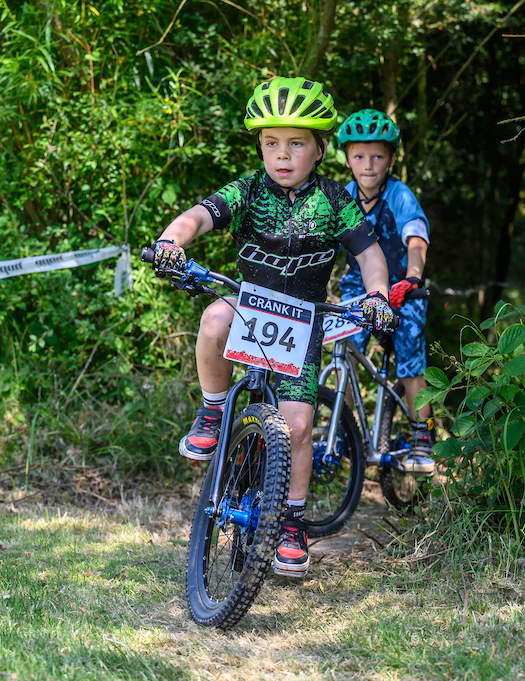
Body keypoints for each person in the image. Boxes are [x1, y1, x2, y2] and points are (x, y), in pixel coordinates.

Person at [148, 77, 394, 579]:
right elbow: (199, 215)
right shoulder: (249, 190)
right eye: (271, 144)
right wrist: (172, 241)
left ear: (321, 149)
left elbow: (369, 254)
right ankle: (215, 412)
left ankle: (292, 523)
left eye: (296, 143)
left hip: (302, 323)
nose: (282, 155)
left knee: (299, 426)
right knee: (215, 314)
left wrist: (376, 296)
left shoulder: (335, 201)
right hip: (249, 307)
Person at [335, 108, 436, 475]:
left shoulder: (399, 193)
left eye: (378, 156)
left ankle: (422, 434)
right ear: (347, 158)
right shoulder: (341, 195)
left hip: (401, 288)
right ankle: (348, 432)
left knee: (410, 357)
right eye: (359, 156)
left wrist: (412, 277)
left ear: (391, 159)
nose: (368, 164)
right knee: (341, 350)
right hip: (356, 288)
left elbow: (416, 238)